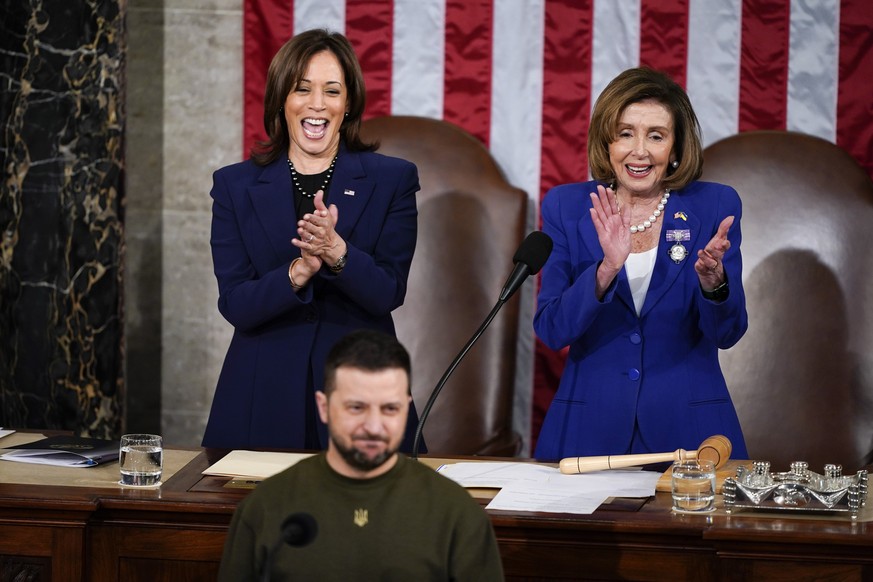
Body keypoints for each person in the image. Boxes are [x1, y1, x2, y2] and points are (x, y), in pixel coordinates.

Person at [202, 29, 423, 452]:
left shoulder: (392, 179)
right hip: (261, 393)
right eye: (302, 89)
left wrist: (337, 253)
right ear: (281, 100)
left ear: (349, 103)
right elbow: (236, 305)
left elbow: (387, 293)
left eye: (332, 91)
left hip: (359, 390)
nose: (317, 104)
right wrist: (299, 270)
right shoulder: (234, 185)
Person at [534, 67, 749, 461]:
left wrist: (713, 282)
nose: (640, 150)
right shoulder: (566, 207)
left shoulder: (714, 206)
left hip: (691, 436)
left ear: (676, 148)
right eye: (625, 133)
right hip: (587, 434)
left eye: (656, 135)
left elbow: (727, 333)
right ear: (607, 142)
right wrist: (604, 272)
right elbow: (552, 329)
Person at [217, 329, 504, 581]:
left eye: (390, 409)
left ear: (406, 408)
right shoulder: (265, 507)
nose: (374, 427)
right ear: (324, 406)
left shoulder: (456, 513)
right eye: (356, 408)